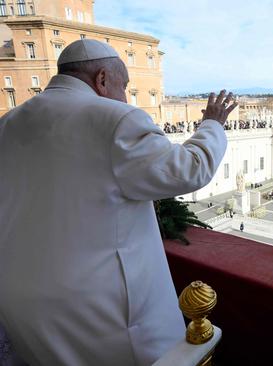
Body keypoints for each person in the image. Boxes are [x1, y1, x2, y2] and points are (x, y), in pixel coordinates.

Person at [0, 40, 237, 366]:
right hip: (98, 311)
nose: (125, 96)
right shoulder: (116, 119)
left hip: (20, 303)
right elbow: (189, 169)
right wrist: (212, 124)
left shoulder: (8, 122)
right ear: (101, 79)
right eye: (124, 86)